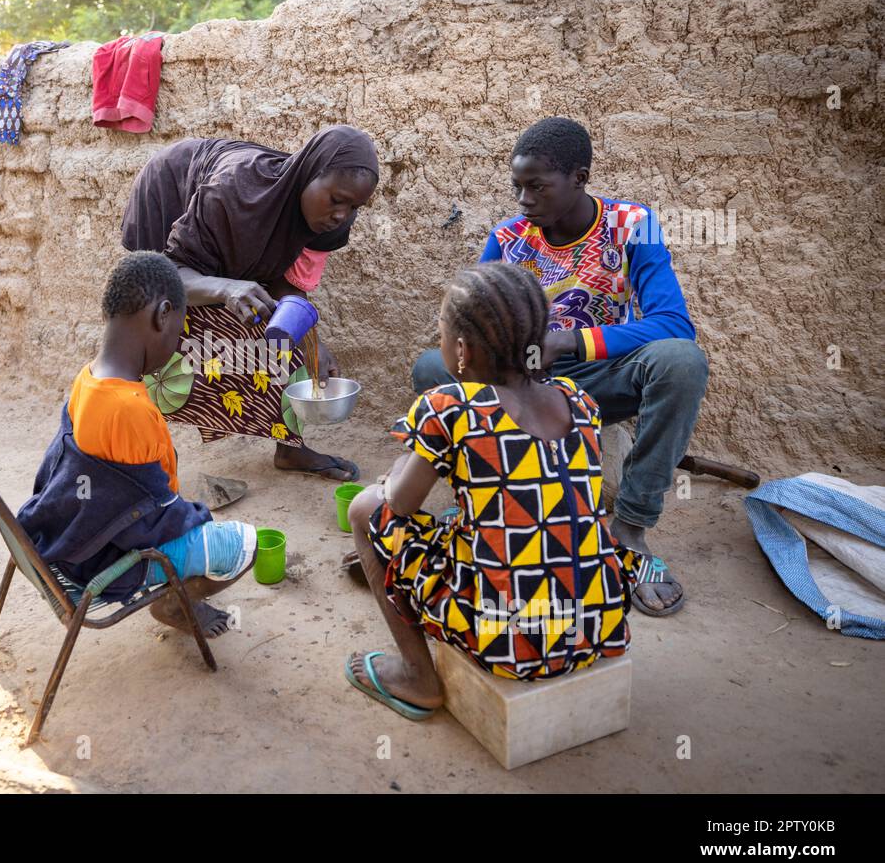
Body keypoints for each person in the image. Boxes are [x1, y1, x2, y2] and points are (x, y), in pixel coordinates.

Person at [411, 117, 706, 617]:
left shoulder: (630, 225)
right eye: (518, 188)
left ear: (580, 178)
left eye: (537, 187)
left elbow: (673, 323)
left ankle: (630, 528)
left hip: (600, 375)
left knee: (680, 362)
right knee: (431, 369)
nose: (525, 200)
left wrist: (570, 341)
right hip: (522, 382)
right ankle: (480, 501)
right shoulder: (509, 238)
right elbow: (472, 317)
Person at [346, 263, 645, 719]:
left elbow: (399, 503)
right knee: (478, 522)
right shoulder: (579, 401)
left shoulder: (450, 407)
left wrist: (408, 452)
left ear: (461, 349)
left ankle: (417, 677)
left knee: (365, 507)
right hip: (595, 628)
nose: (440, 342)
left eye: (441, 332)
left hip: (509, 643)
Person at [17, 252, 256, 637]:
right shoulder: (130, 409)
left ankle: (177, 589)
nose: (176, 343)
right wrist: (194, 517)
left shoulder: (88, 379)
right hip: (109, 561)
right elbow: (145, 526)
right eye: (178, 331)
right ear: (163, 315)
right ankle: (174, 604)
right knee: (243, 544)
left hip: (77, 535)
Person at [121, 124, 379, 482]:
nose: (342, 215)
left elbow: (289, 289)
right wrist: (226, 288)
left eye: (355, 207)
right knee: (154, 319)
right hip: (169, 191)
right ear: (309, 172)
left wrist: (313, 343)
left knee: (282, 325)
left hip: (229, 221)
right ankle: (141, 450)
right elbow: (165, 278)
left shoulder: (330, 224)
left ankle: (290, 447)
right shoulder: (235, 191)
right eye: (336, 200)